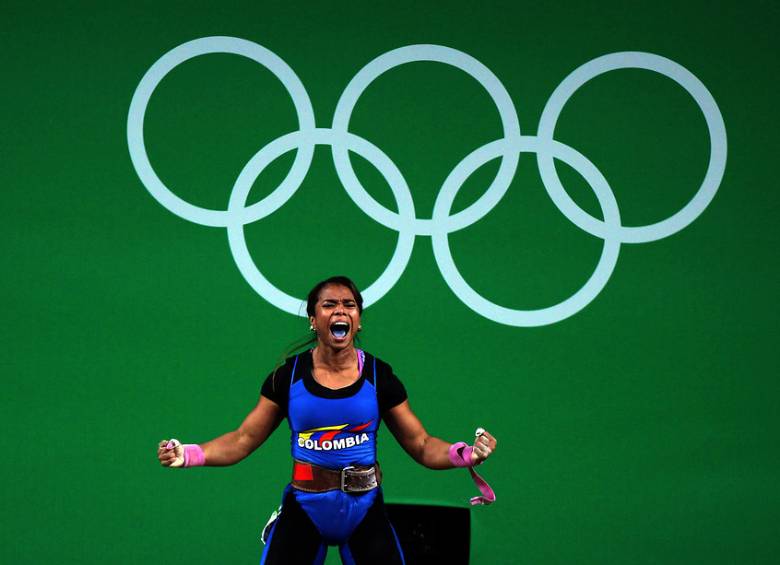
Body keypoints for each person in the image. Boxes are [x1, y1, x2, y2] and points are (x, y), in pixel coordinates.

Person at [157, 275, 497, 564]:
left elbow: (422, 445)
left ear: (358, 320)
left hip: (365, 510)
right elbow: (242, 440)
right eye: (329, 304)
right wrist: (188, 454)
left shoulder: (380, 377)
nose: (340, 311)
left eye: (349, 305)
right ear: (313, 319)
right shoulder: (286, 378)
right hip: (305, 508)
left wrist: (464, 454)